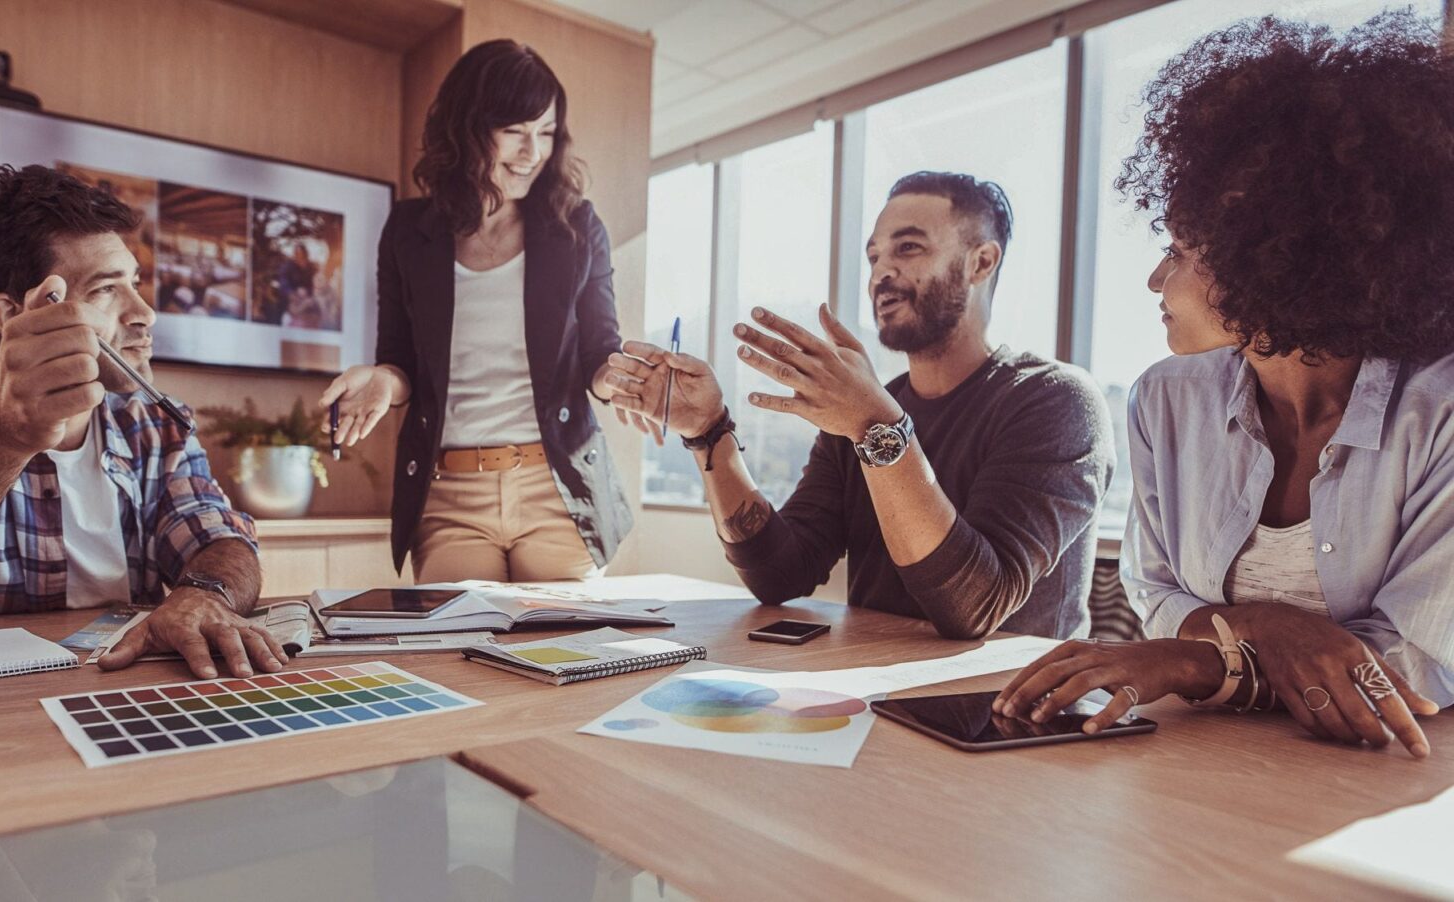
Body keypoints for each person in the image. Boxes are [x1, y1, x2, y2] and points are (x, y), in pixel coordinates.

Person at [995, 11, 1453, 757]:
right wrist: (1273, 629)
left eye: (1179, 250)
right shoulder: (1165, 400)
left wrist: (1198, 658)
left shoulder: (1441, 413)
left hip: (1389, 783)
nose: (1155, 278)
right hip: (1202, 768)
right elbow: (1156, 593)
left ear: (1279, 252)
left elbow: (1417, 664)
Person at [604, 172, 1114, 640]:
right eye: (873, 257)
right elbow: (781, 573)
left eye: (909, 248)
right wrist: (709, 430)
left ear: (981, 261)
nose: (881, 273)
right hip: (871, 698)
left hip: (1008, 719)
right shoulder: (865, 409)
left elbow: (974, 606)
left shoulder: (1055, 401)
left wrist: (875, 424)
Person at [0, 165, 286, 680]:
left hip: (120, 698)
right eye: (106, 290)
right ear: (13, 314)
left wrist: (203, 594)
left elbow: (219, 538)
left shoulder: (153, 423)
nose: (145, 312)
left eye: (135, 283)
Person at [321, 40, 640, 583]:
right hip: (449, 495)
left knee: (569, 655)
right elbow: (398, 362)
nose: (532, 152)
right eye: (515, 132)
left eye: (545, 133)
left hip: (557, 487)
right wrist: (381, 379)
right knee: (455, 655)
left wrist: (627, 378)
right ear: (467, 129)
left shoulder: (577, 227)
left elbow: (598, 354)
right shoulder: (408, 230)